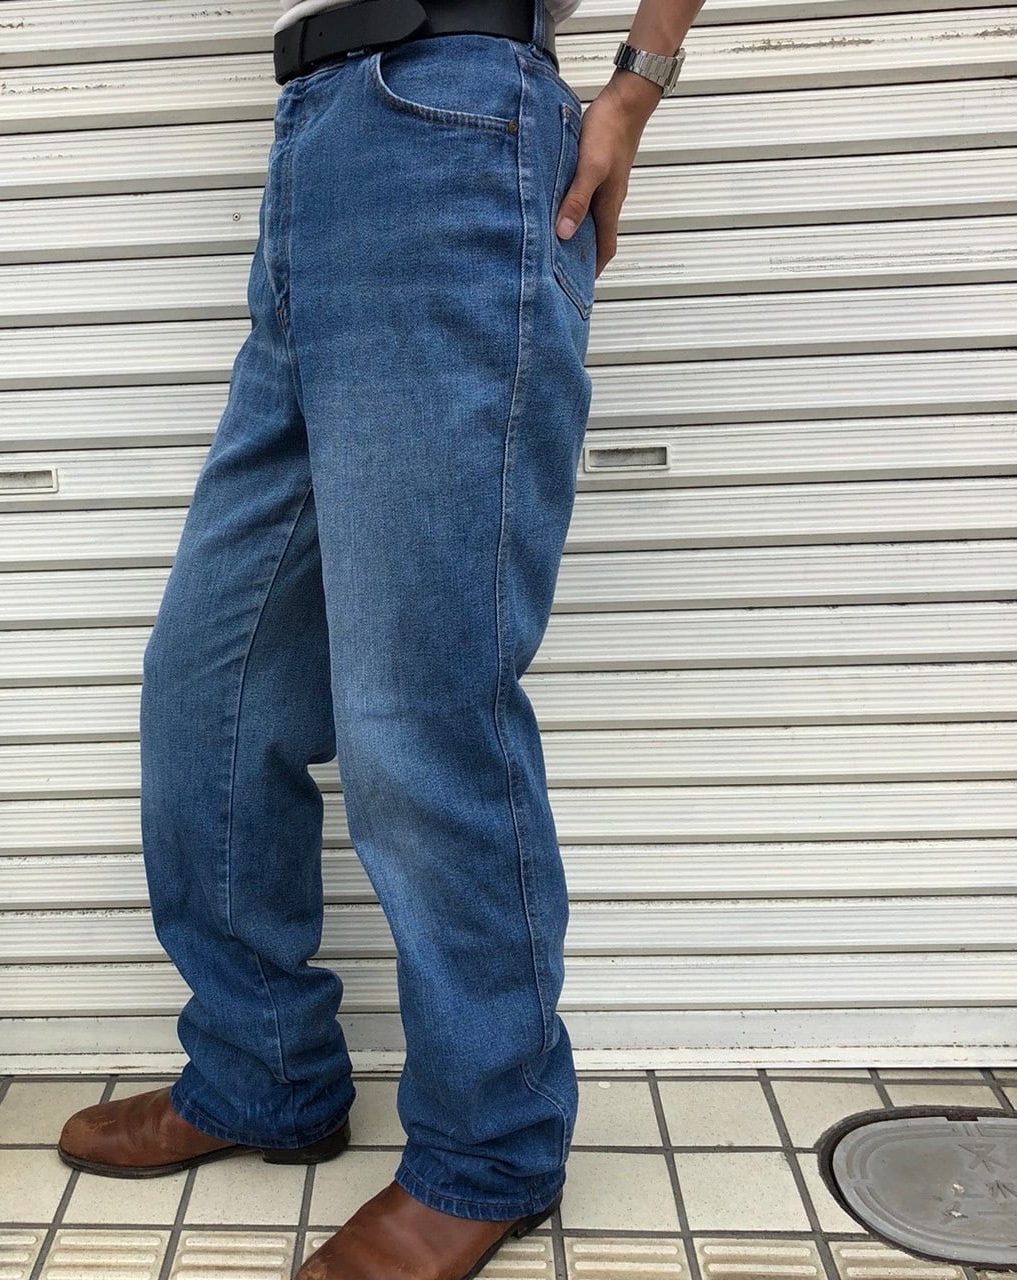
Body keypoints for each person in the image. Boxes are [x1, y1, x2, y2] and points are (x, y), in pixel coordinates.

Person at [58, 0, 701, 1274]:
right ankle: (261, 1069)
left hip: (452, 117)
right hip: (314, 138)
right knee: (209, 688)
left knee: (419, 715)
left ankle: (488, 1150)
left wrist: (637, 82)